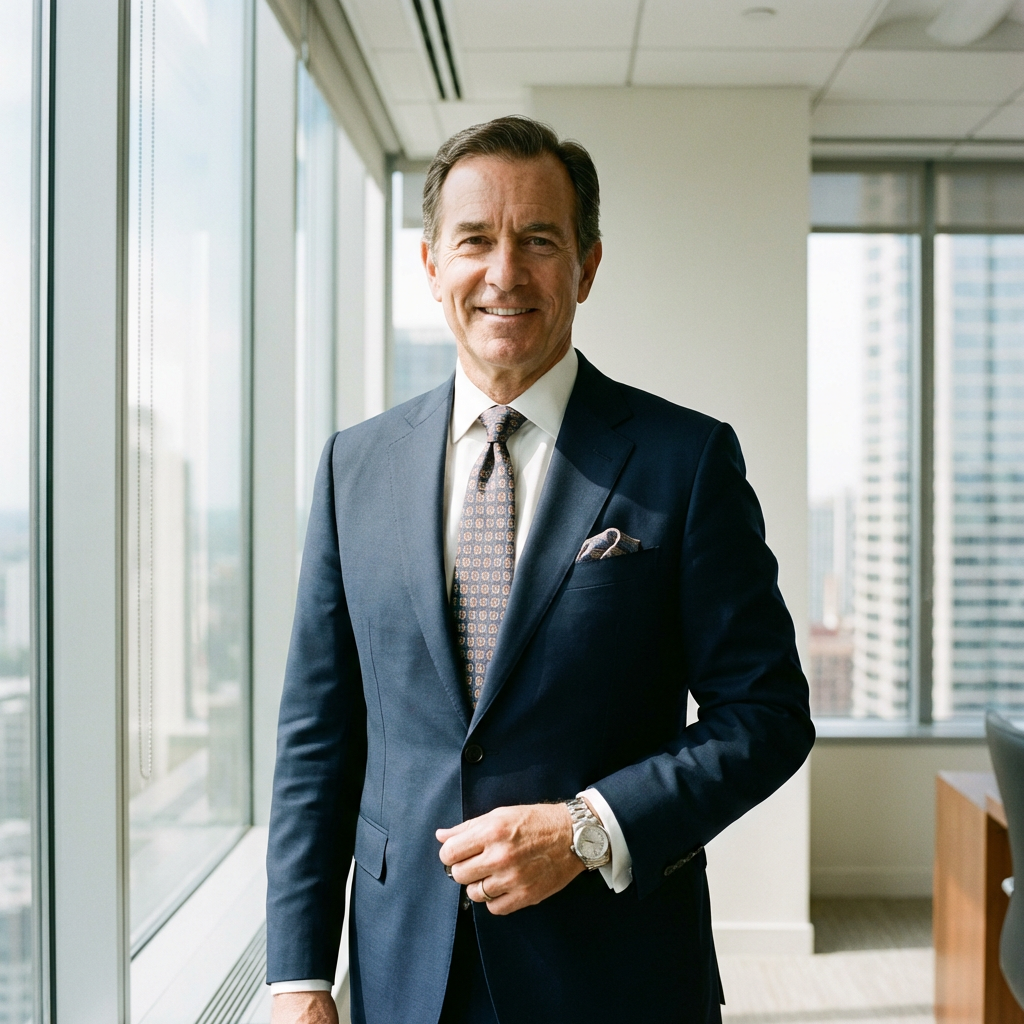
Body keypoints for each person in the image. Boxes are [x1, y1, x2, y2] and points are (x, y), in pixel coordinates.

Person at [267, 115, 814, 1024]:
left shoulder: (686, 461)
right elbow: (318, 737)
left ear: (588, 267)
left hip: (614, 969)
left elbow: (767, 715)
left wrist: (585, 827)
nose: (505, 272)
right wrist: (297, 975)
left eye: (539, 241)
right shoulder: (350, 467)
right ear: (432, 263)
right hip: (403, 971)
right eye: (475, 240)